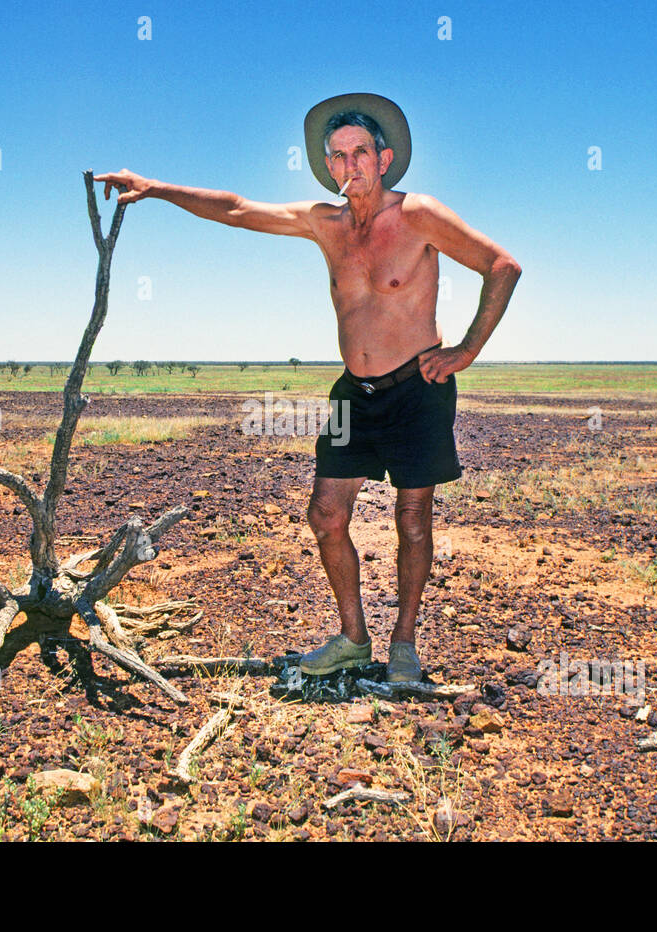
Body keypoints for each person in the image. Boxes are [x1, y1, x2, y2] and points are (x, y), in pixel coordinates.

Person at [96, 92, 520, 683]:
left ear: (385, 157)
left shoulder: (418, 214)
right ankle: (352, 638)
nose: (350, 166)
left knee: (413, 517)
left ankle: (403, 646)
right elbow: (239, 208)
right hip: (355, 393)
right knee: (325, 514)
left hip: (417, 386)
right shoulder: (326, 224)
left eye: (360, 152)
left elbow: (501, 265)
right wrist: (159, 187)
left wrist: (467, 349)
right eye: (338, 156)